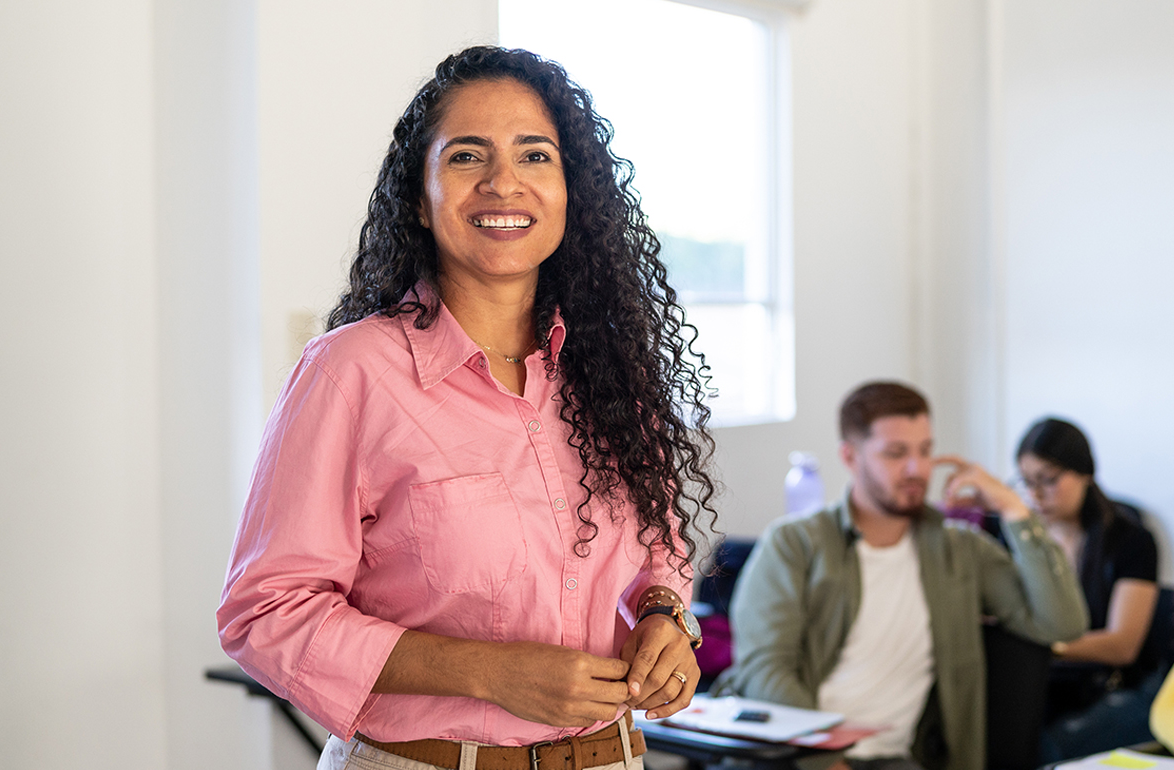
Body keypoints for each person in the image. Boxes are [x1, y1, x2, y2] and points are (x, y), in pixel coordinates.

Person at [217, 46, 719, 770]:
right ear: (419, 199)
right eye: (465, 157)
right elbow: (265, 614)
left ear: (572, 191)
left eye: (536, 156)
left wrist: (664, 616)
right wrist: (491, 671)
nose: (503, 183)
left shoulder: (610, 374)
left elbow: (660, 548)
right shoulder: (352, 371)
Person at [711, 381, 1088, 770]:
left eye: (926, 451)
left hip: (892, 760)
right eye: (896, 453)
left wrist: (1013, 508)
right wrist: (827, 760)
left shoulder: (960, 549)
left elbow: (1060, 622)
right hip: (791, 756)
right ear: (850, 456)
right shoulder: (795, 543)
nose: (917, 469)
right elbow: (764, 669)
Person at [1015, 417, 1163, 761]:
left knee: (1044, 749)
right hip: (1044, 683)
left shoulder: (1130, 541)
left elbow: (1122, 645)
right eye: (1026, 482)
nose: (1036, 494)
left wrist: (1043, 646)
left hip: (1111, 686)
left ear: (1084, 472)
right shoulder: (1025, 541)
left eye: (1048, 480)